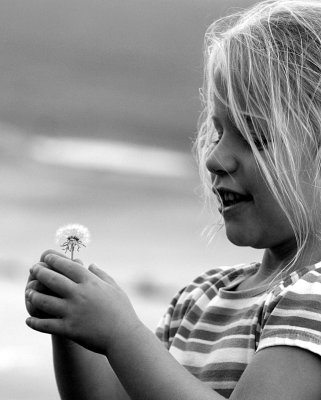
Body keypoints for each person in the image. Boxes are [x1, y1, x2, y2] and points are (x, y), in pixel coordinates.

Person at [25, 0, 321, 398]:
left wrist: (121, 333)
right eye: (217, 132)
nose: (215, 158)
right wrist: (73, 324)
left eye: (254, 134)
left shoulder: (313, 300)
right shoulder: (200, 298)